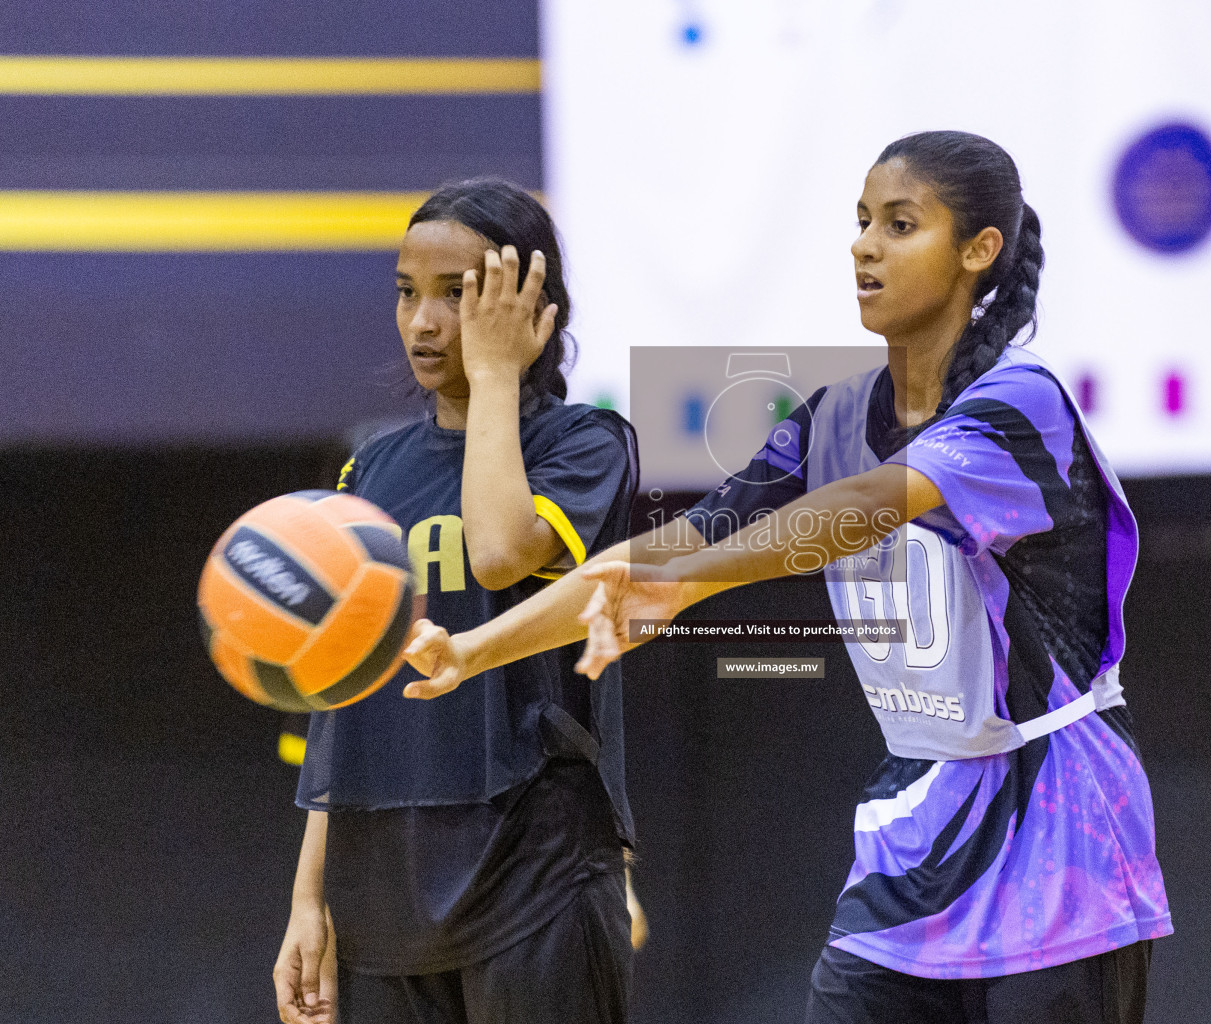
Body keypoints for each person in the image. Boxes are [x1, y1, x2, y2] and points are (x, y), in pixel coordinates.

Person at [402, 132, 1172, 1023]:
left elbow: (866, 505)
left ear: (979, 251)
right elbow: (652, 552)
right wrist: (473, 648)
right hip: (918, 826)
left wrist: (693, 581)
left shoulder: (1019, 401)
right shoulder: (838, 413)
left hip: (1057, 830)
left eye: (900, 224)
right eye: (860, 223)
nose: (864, 246)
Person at [272, 178, 639, 1024]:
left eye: (459, 295)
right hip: (381, 896)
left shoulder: (586, 444)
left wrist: (499, 377)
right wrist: (308, 899)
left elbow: (500, 549)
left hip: (534, 878)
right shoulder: (368, 472)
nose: (425, 322)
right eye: (407, 294)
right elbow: (342, 703)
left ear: (529, 305)